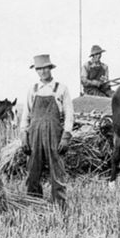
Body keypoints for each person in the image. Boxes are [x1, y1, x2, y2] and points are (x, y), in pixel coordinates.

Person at [19, 54, 74, 209]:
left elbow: (69, 115)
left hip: (54, 133)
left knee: (57, 170)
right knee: (33, 169)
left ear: (50, 68)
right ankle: (34, 203)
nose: (43, 72)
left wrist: (66, 136)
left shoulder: (61, 88)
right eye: (39, 69)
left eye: (45, 68)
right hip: (34, 133)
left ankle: (60, 205)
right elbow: (26, 115)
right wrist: (24, 135)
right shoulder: (33, 89)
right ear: (36, 71)